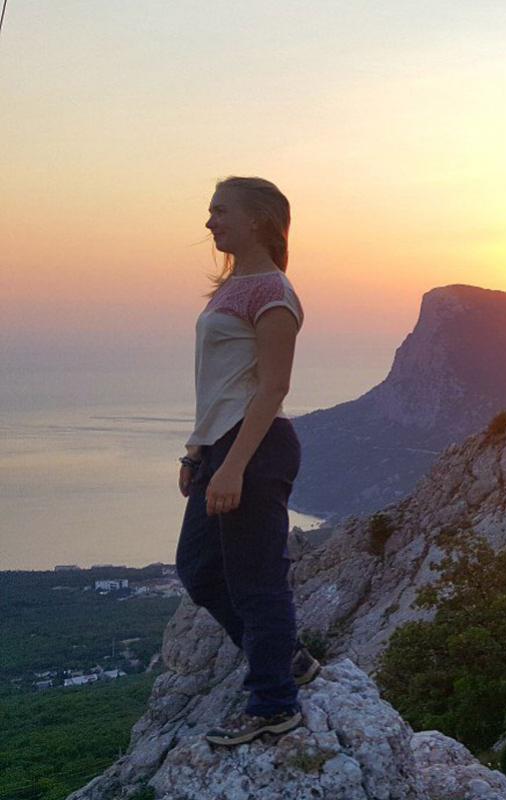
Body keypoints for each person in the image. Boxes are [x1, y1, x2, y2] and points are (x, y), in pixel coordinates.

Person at [175, 176, 320, 747]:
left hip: (254, 449)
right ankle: (288, 659)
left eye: (219, 210)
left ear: (258, 219)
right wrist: (197, 450)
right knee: (200, 569)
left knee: (257, 582)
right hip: (220, 445)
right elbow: (220, 384)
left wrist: (233, 465)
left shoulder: (273, 292)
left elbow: (272, 388)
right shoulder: (231, 288)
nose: (210, 222)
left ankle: (274, 704)